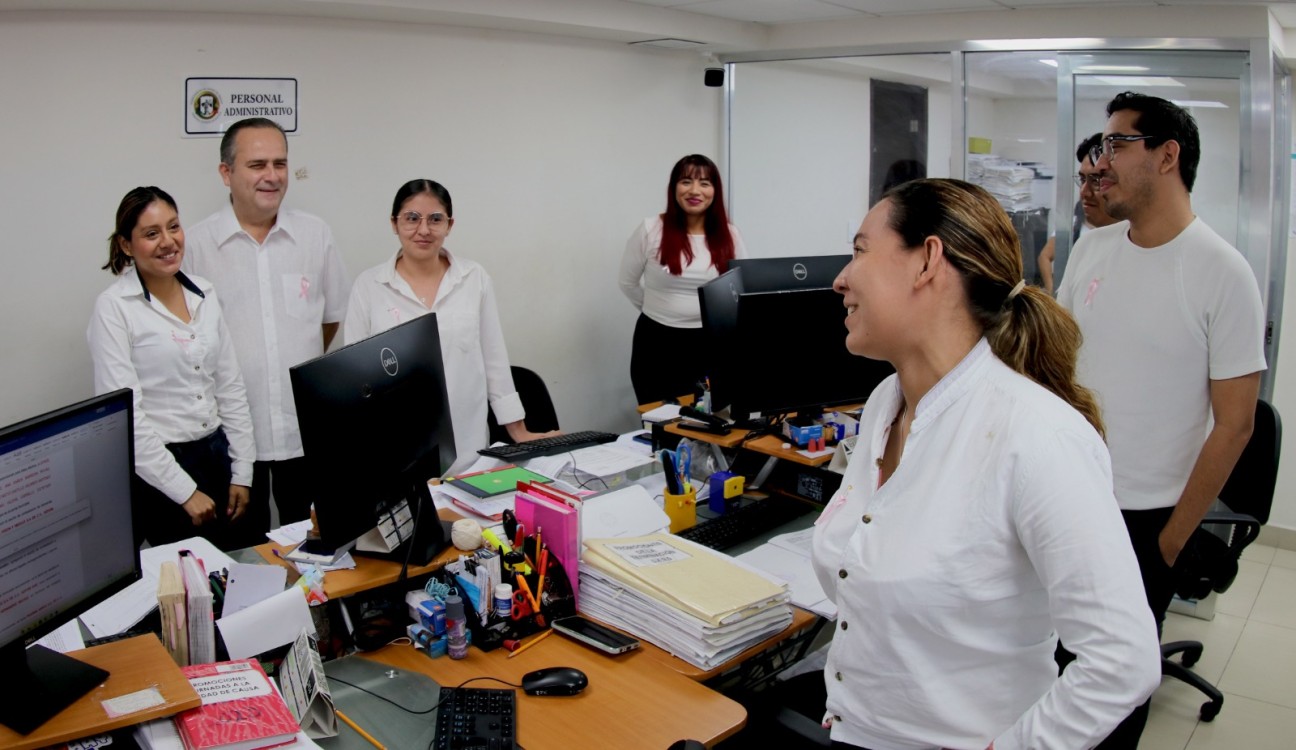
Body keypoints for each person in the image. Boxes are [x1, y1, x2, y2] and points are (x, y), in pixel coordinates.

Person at [812, 178, 1159, 749]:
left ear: (927, 260)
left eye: (860, 251)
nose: (841, 279)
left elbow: (1123, 660)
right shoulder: (885, 403)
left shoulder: (1035, 435)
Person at [1057, 92, 1266, 747]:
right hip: (1065, 496)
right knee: (1052, 663)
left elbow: (1235, 424)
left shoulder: (1221, 272)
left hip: (1143, 519)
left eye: (1118, 144)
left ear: (1167, 155)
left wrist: (1171, 540)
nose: (1103, 158)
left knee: (1114, 686)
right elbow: (1059, 362)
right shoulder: (1093, 248)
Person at [183, 118, 350, 529]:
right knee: (243, 557)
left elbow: (328, 323)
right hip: (232, 440)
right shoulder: (195, 247)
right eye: (257, 165)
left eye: (280, 163)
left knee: (316, 549)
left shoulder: (315, 235)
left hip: (303, 432)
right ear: (227, 173)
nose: (272, 176)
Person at [344, 179, 553, 476]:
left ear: (449, 224)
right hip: (399, 451)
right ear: (394, 223)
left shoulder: (473, 278)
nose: (424, 229)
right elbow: (357, 379)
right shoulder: (370, 286)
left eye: (435, 219)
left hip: (468, 450)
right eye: (412, 218)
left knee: (465, 522)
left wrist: (518, 430)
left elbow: (493, 360)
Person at [88, 186, 257, 550]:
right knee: (189, 593)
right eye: (151, 234)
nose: (168, 241)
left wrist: (243, 471)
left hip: (217, 455)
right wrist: (184, 492)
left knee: (241, 574)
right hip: (160, 471)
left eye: (174, 227)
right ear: (126, 245)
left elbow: (229, 386)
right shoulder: (115, 308)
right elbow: (126, 416)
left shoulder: (204, 293)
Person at [618, 154, 746, 404]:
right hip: (656, 342)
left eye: (705, 183)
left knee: (705, 421)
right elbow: (627, 283)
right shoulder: (650, 229)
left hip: (709, 343)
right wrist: (660, 310)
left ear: (715, 191)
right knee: (659, 421)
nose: (694, 190)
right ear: (674, 187)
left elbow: (741, 288)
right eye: (686, 181)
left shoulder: (730, 235)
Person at [1037, 132, 1119, 293]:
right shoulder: (1085, 245)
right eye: (1082, 179)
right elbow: (1045, 256)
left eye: (1096, 180)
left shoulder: (1138, 246)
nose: (1084, 192)